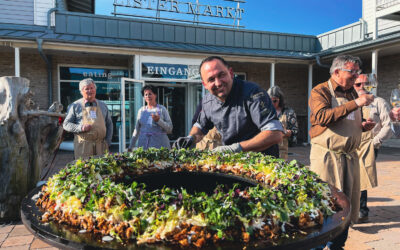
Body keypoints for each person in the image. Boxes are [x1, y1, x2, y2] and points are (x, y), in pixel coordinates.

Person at [308, 55, 375, 249]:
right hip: (327, 158)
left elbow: (346, 121)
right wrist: (357, 103)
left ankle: (338, 245)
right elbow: (322, 116)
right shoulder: (320, 90)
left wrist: (362, 126)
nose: (356, 75)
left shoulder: (351, 93)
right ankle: (317, 246)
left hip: (350, 158)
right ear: (336, 72)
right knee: (325, 204)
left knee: (346, 206)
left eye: (357, 72)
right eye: (352, 71)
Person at [173, 56, 283, 157]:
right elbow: (200, 127)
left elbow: (275, 134)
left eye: (221, 75)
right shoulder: (207, 101)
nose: (218, 83)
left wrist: (236, 148)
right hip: (233, 163)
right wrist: (190, 138)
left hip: (263, 163)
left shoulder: (252, 93)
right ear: (205, 85)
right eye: (211, 79)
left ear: (230, 73)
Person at [353, 74, 393, 222]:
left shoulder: (379, 102)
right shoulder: (351, 102)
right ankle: (350, 207)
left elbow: (388, 126)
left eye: (366, 84)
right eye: (358, 84)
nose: (362, 87)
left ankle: (361, 210)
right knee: (349, 176)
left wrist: (375, 142)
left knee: (362, 176)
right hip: (351, 144)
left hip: (369, 144)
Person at [63, 78, 113, 159]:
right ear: (81, 92)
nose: (90, 90)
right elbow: (66, 124)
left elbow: (109, 124)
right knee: (84, 170)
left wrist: (108, 141)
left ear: (95, 89)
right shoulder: (75, 106)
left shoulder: (103, 105)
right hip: (83, 148)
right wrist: (81, 128)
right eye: (87, 89)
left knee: (102, 170)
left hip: (101, 147)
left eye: (92, 88)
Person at [128, 85, 173, 150]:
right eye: (145, 94)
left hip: (160, 145)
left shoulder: (162, 109)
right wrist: (131, 146)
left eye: (150, 94)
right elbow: (137, 130)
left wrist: (159, 121)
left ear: (155, 95)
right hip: (144, 145)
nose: (148, 96)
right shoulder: (141, 110)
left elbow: (170, 128)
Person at [267, 86, 299, 160]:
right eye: (270, 100)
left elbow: (295, 130)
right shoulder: (265, 112)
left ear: (280, 100)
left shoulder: (288, 112)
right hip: (266, 150)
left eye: (275, 101)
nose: (272, 103)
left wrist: (286, 133)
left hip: (281, 151)